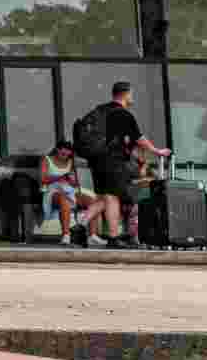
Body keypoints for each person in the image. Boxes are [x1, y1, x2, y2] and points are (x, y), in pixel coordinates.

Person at [73, 81, 169, 250]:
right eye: (131, 94)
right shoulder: (122, 114)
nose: (132, 97)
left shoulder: (100, 110)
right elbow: (139, 139)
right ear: (125, 94)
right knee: (112, 197)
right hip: (112, 162)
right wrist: (157, 151)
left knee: (104, 196)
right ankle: (113, 237)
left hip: (96, 161)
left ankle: (80, 225)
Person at [39, 140, 87, 239]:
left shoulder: (70, 162)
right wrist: (60, 178)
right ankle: (66, 234)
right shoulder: (46, 159)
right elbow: (42, 179)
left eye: (68, 152)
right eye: (63, 152)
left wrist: (72, 181)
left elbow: (74, 183)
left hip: (68, 190)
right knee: (64, 200)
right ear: (57, 150)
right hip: (52, 191)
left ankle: (92, 235)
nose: (65, 154)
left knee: (92, 200)